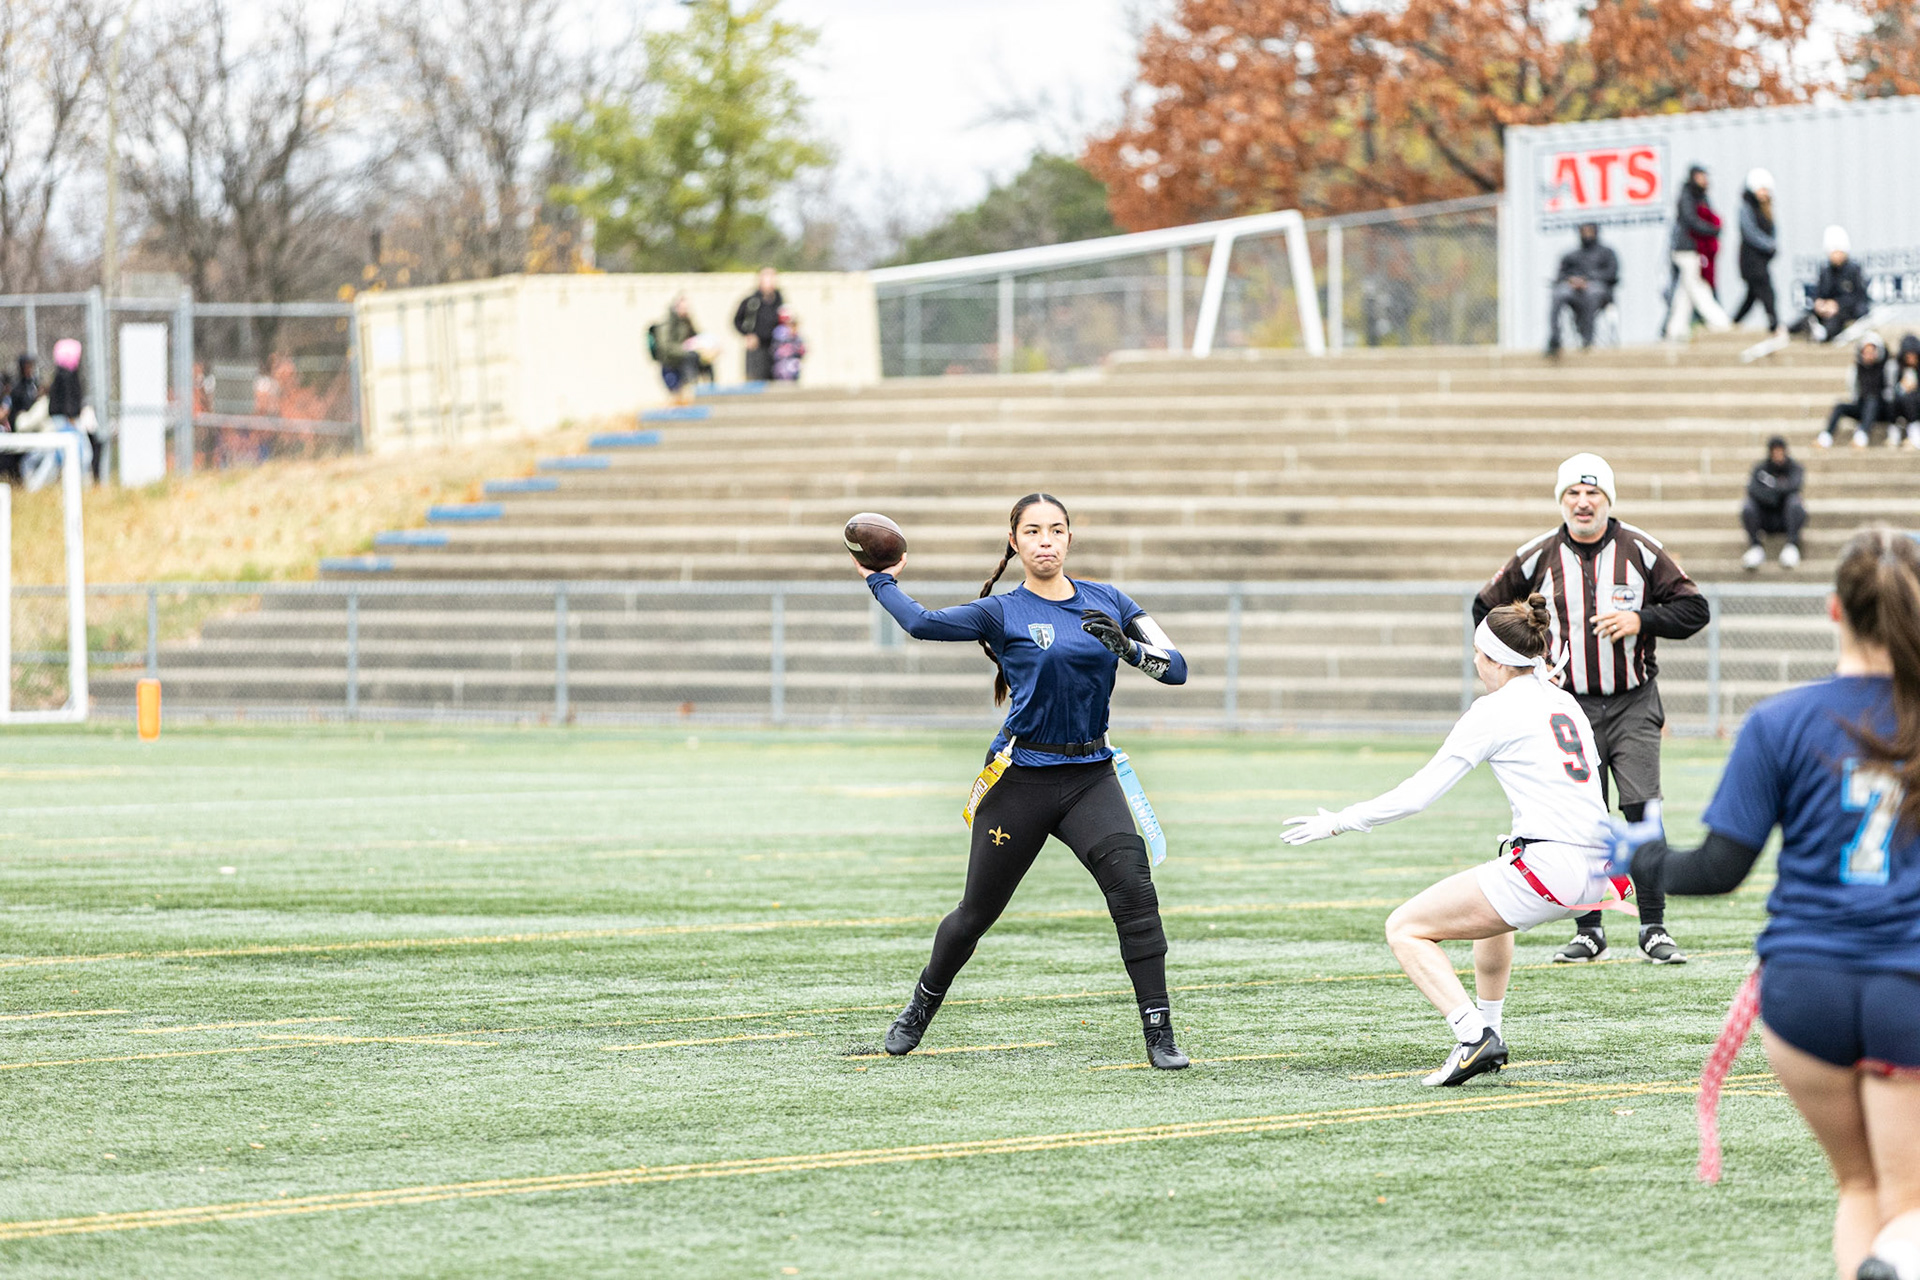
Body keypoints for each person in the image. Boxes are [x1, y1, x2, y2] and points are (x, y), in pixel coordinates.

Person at [1607, 527, 1920, 1280]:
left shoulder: (1779, 721)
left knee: (1860, 1186)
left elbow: (1718, 869)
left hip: (1801, 988)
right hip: (1908, 984)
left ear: (1833, 610)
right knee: (1909, 1204)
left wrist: (1637, 858)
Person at [858, 493, 1193, 1069]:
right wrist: (880, 579)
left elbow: (1177, 668)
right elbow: (921, 623)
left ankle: (1160, 1034)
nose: (1046, 541)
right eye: (1033, 531)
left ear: (1069, 539)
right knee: (975, 914)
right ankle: (919, 1007)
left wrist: (1130, 649)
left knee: (1136, 895)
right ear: (1014, 541)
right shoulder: (1002, 611)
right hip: (1022, 780)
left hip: (1090, 777)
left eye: (1056, 530)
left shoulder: (1110, 600)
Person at [1283, 595, 1622, 1086]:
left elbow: (1417, 796)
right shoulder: (1562, 699)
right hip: (1601, 870)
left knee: (1405, 928)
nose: (1475, 662)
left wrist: (1341, 821)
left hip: (1552, 868)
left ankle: (1472, 1035)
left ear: (1496, 660)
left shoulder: (1494, 710)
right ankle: (1492, 1030)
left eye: (1478, 654)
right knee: (1494, 900)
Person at [1476, 453, 1707, 965]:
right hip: (1569, 704)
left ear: (1608, 500)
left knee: (1641, 808)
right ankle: (1589, 929)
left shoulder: (1640, 549)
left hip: (1633, 700)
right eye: (1573, 494)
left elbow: (1695, 608)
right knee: (1582, 815)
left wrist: (1641, 619)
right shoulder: (1537, 555)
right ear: (1561, 501)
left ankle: (1653, 926)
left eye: (1593, 493)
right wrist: (1529, 662)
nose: (1583, 502)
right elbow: (1486, 609)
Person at [1665, 164, 1733, 341]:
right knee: (1698, 287)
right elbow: (1692, 221)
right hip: (1686, 249)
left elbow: (1708, 216)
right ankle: (1720, 321)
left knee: (1684, 294)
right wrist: (1712, 229)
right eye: (1701, 176)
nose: (1705, 180)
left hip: (1697, 249)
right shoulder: (1687, 196)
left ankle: (1674, 330)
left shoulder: (1703, 197)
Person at [24, 337, 93, 491]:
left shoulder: (61, 375)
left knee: (56, 455)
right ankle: (83, 486)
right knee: (81, 453)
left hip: (63, 419)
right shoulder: (67, 375)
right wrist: (71, 418)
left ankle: (36, 485)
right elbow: (68, 399)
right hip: (67, 420)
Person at [1545, 222, 1619, 354]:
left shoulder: (1607, 253)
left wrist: (1588, 280)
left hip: (1599, 291)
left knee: (1591, 293)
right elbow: (1560, 275)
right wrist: (1572, 280)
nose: (1587, 235)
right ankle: (1555, 338)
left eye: (1589, 232)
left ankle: (1587, 339)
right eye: (1584, 232)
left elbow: (1611, 274)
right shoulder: (1571, 255)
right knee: (1559, 293)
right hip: (1573, 291)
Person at [1792, 227, 1872, 343]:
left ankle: (1823, 333)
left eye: (1838, 251)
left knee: (1836, 319)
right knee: (1807, 316)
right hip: (1827, 310)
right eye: (1833, 252)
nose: (1836, 255)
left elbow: (1859, 297)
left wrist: (1837, 305)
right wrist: (1819, 303)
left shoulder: (1853, 270)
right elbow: (1818, 293)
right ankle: (1788, 329)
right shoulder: (1825, 271)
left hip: (1846, 311)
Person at [1743, 437, 1807, 572]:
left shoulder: (1795, 468)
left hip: (1786, 518)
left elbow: (1794, 486)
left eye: (1780, 451)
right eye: (1775, 451)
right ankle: (1755, 547)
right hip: (1765, 516)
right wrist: (1778, 490)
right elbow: (1752, 489)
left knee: (1795, 502)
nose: (1778, 455)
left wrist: (1772, 488)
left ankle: (1792, 546)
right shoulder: (1760, 469)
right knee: (1748, 506)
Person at [1821, 333, 1894, 449]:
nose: (1868, 355)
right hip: (1862, 406)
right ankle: (1826, 437)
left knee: (1872, 400)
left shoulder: (1887, 367)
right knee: (1840, 406)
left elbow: (1890, 391)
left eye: (1871, 351)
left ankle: (1862, 436)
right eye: (1866, 352)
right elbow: (1854, 391)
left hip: (1881, 409)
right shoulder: (1856, 369)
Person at [1733, 168, 1781, 332]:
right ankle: (1774, 324)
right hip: (1750, 260)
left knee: (1752, 296)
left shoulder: (1766, 208)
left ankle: (1733, 323)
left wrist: (1772, 245)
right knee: (1767, 292)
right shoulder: (1746, 207)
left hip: (1762, 259)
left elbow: (1773, 229)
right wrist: (1768, 245)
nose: (1764, 193)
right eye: (1761, 189)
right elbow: (1750, 232)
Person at [648, 294, 707, 406]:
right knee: (675, 396)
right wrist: (684, 350)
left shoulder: (686, 322)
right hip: (670, 363)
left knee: (688, 393)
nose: (686, 310)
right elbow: (665, 346)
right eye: (683, 307)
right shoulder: (668, 323)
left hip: (683, 362)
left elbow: (696, 337)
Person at [733, 267, 783, 382]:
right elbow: (737, 321)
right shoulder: (752, 301)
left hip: (774, 346)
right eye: (767, 277)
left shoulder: (779, 301)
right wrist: (748, 335)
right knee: (756, 381)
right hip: (757, 348)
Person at [1889, 335, 1920, 448]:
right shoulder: (1896, 368)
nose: (1911, 359)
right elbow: (1890, 389)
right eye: (1908, 356)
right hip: (1901, 406)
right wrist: (1901, 387)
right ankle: (1895, 433)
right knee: (1896, 400)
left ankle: (1915, 435)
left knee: (1911, 398)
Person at [770, 306, 804, 382]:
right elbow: (776, 348)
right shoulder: (779, 332)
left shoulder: (796, 336)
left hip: (793, 363)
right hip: (782, 364)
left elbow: (801, 349)